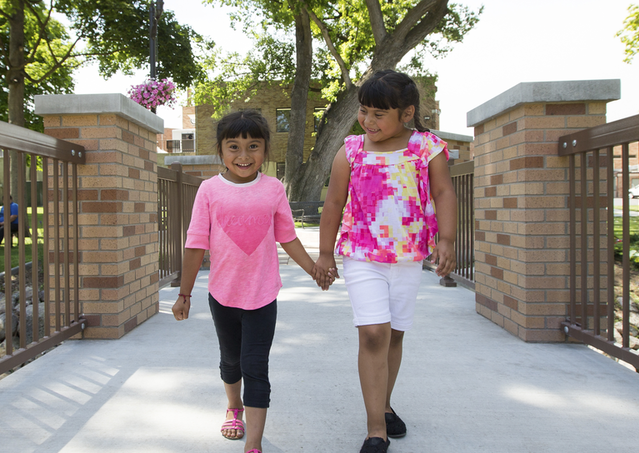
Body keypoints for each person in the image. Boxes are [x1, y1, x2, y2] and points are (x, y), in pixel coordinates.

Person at [313, 70, 457, 453]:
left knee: (395, 334)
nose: (369, 120)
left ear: (406, 113)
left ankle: (385, 404)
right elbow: (333, 202)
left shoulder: (427, 148)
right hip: (362, 255)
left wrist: (446, 239)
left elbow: (444, 192)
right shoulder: (351, 150)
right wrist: (325, 254)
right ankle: (375, 429)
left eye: (379, 114)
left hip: (408, 258)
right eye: (364, 111)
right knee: (373, 333)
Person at [171, 110, 330, 453]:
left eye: (253, 146)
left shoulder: (273, 189)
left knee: (255, 366)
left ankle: (253, 444)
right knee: (231, 361)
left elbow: (287, 236)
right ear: (220, 150)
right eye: (234, 147)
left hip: (262, 296)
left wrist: (313, 269)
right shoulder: (209, 190)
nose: (243, 156)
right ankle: (234, 407)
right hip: (222, 296)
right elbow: (196, 243)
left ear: (265, 149)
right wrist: (185, 294)